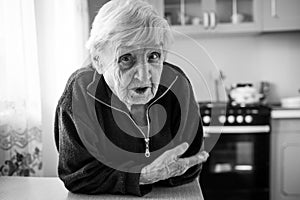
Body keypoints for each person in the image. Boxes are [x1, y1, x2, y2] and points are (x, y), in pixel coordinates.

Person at [54, 0, 209, 196]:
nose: (144, 76)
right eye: (126, 58)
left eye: (153, 56)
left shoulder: (177, 84)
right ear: (98, 60)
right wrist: (141, 175)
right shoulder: (80, 92)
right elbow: (78, 176)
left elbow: (189, 164)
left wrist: (120, 175)